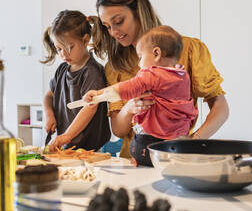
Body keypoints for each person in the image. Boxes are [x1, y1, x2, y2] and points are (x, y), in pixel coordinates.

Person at [90, 0, 229, 160]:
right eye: (107, 26)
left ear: (139, 12)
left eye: (119, 21)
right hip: (133, 162)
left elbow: (221, 108)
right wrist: (129, 108)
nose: (114, 32)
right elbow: (118, 130)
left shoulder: (188, 48)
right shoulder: (115, 66)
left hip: (174, 157)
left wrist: (193, 141)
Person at [84, 25, 198, 166]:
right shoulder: (182, 75)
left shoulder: (152, 74)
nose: (139, 63)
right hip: (177, 143)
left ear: (156, 54)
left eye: (140, 57)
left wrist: (99, 94)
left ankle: (139, 160)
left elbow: (127, 88)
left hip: (152, 143)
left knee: (137, 147)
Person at [41, 10, 111, 151]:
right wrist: (49, 114)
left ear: (85, 40)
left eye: (68, 47)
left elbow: (90, 107)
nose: (63, 54)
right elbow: (48, 96)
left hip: (88, 149)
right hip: (68, 146)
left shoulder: (92, 72)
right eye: (59, 49)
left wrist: (68, 135)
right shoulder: (62, 70)